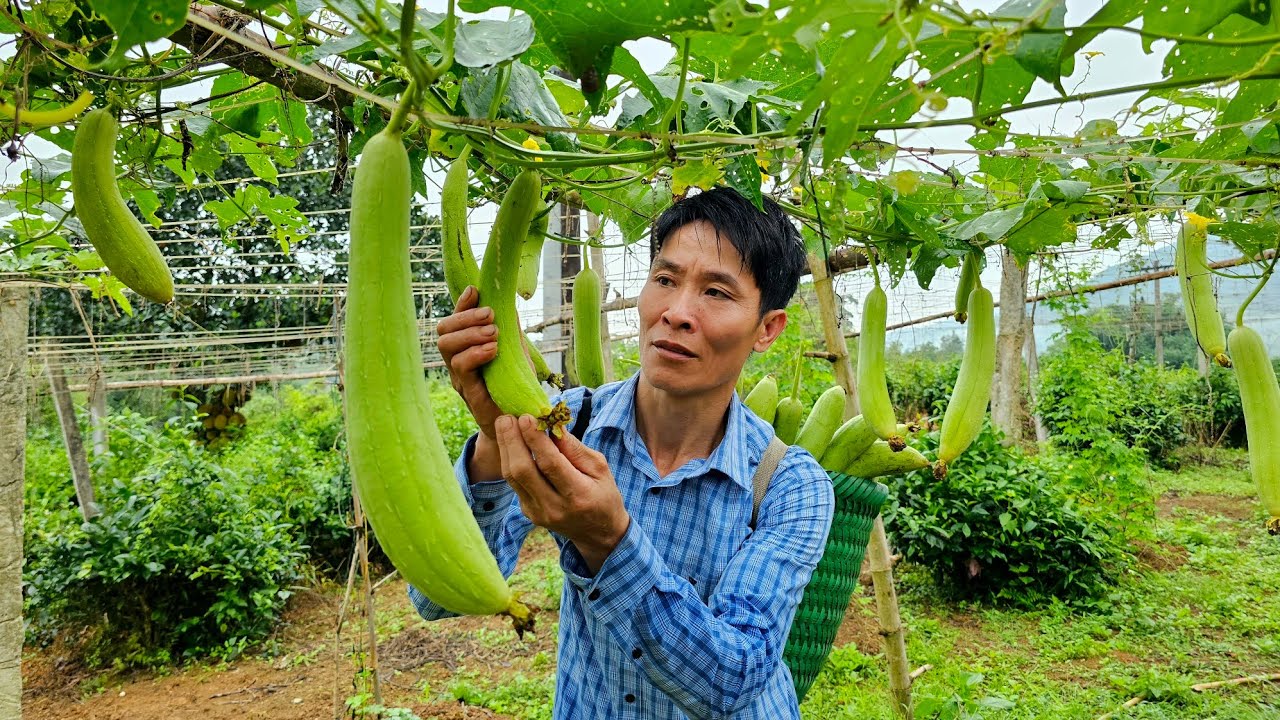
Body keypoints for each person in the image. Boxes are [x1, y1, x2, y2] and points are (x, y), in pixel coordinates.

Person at [410, 186, 835, 719]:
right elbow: (436, 598)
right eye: (664, 280)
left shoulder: (792, 485)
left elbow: (735, 679)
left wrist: (609, 543)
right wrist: (494, 443)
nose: (677, 312)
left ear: (767, 328)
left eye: (717, 293)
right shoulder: (568, 424)